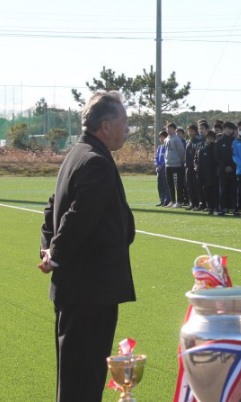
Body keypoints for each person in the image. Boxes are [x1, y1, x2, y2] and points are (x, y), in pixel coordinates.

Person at [38, 91, 136, 402]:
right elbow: (76, 216)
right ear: (105, 126)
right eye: (124, 122)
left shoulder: (78, 153)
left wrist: (48, 250)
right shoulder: (95, 160)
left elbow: (51, 207)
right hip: (91, 291)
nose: (128, 129)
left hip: (80, 289)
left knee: (75, 376)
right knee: (83, 379)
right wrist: (54, 255)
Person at [215, 121, 237, 216]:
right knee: (223, 190)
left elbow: (237, 155)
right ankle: (222, 208)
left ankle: (234, 208)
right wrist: (225, 167)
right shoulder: (219, 142)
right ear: (224, 129)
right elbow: (217, 157)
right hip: (222, 171)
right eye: (227, 128)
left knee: (233, 190)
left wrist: (232, 166)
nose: (229, 131)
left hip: (234, 170)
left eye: (230, 129)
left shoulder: (235, 141)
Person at [197, 130, 219, 214]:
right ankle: (210, 207)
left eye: (212, 138)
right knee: (207, 192)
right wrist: (200, 177)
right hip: (205, 175)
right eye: (208, 138)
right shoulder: (202, 151)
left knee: (215, 193)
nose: (210, 140)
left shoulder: (217, 148)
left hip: (215, 175)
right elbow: (200, 165)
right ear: (206, 139)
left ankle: (216, 208)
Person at [165, 122, 186, 208]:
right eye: (168, 129)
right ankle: (172, 200)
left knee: (177, 184)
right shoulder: (166, 139)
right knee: (170, 184)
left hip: (176, 165)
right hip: (168, 165)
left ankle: (179, 201)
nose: (169, 130)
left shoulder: (176, 139)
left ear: (174, 129)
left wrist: (181, 162)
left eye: (170, 129)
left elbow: (181, 151)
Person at [184, 124, 201, 210]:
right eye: (189, 131)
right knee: (189, 185)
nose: (190, 133)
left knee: (195, 185)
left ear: (195, 132)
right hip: (188, 167)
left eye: (192, 131)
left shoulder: (198, 142)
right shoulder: (187, 142)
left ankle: (197, 203)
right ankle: (192, 202)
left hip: (195, 167)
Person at [154, 130, 170, 207]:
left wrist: (162, 165)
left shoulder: (167, 147)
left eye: (162, 137)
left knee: (166, 185)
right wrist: (157, 165)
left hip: (164, 169)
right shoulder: (159, 147)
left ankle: (167, 201)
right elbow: (156, 157)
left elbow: (166, 158)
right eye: (160, 137)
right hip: (159, 170)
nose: (161, 139)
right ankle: (162, 200)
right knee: (160, 185)